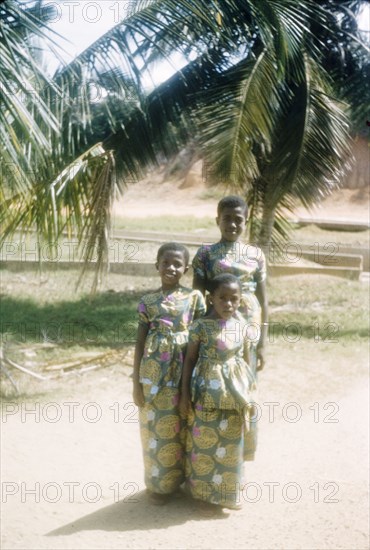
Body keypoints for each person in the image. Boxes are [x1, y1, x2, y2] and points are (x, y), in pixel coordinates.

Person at [133, 242, 206, 504]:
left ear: (186, 268)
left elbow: (199, 337)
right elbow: (140, 343)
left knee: (182, 425)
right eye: (166, 263)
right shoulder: (147, 301)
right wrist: (135, 382)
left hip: (184, 369)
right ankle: (160, 486)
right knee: (156, 427)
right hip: (153, 375)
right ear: (157, 265)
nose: (171, 268)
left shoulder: (194, 299)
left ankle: (184, 481)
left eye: (177, 264)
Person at [179, 273, 256, 512]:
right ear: (211, 298)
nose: (228, 304)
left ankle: (227, 494)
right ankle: (202, 494)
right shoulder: (201, 326)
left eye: (234, 299)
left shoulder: (242, 324)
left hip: (234, 390)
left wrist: (249, 390)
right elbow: (189, 360)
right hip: (205, 388)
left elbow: (245, 358)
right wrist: (184, 395)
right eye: (222, 298)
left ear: (240, 299)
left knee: (232, 438)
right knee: (204, 438)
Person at [192, 195, 268, 374]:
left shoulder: (256, 255)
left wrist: (263, 344)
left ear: (246, 221)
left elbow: (263, 301)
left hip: (249, 322)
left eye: (238, 220)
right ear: (218, 220)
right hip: (216, 325)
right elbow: (197, 299)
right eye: (227, 218)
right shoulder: (205, 254)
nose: (232, 224)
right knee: (214, 374)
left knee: (246, 378)